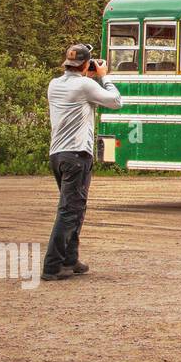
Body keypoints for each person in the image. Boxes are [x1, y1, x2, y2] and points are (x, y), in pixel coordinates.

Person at [42, 43, 122, 282]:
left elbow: (79, 91)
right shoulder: (86, 85)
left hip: (57, 154)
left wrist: (89, 76)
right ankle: (52, 265)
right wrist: (104, 77)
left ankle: (70, 259)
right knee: (69, 211)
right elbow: (116, 101)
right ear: (86, 65)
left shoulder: (54, 84)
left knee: (74, 208)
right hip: (77, 154)